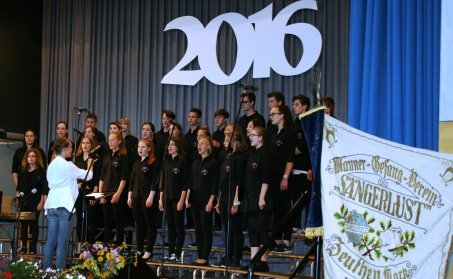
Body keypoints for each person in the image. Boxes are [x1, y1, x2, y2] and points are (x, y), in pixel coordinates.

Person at [43, 137, 94, 270]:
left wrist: (73, 185)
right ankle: (60, 272)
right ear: (64, 149)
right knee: (62, 242)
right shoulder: (68, 164)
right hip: (65, 204)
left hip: (52, 203)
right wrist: (90, 163)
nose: (72, 149)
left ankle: (47, 270)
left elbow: (59, 183)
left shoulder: (51, 165)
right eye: (71, 147)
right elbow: (88, 176)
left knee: (51, 241)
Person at [214, 131, 247, 268]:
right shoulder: (227, 158)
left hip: (234, 195)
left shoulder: (239, 158)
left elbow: (240, 182)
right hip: (225, 195)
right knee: (227, 229)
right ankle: (228, 256)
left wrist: (236, 202)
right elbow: (222, 182)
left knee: (235, 229)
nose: (224, 143)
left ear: (233, 142)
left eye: (226, 141)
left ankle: (236, 258)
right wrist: (219, 199)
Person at [241, 127, 272, 272]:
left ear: (260, 137)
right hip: (250, 197)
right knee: (252, 230)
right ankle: (254, 261)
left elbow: (266, 177)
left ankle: (264, 261)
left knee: (261, 230)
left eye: (253, 135)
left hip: (261, 197)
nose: (250, 137)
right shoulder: (250, 154)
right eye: (250, 135)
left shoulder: (265, 154)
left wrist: (262, 197)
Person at [186, 136, 218, 266]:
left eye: (203, 143)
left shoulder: (213, 162)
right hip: (195, 200)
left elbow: (214, 184)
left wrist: (211, 201)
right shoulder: (195, 162)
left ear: (208, 147)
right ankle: (199, 255)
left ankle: (205, 257)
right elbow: (190, 182)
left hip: (206, 200)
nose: (200, 146)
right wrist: (187, 198)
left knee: (206, 229)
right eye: (198, 143)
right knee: (198, 229)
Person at [268, 104, 295, 253]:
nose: (271, 116)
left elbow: (290, 159)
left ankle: (286, 240)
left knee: (285, 207)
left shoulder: (288, 134)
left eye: (273, 114)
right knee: (276, 209)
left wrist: (285, 177)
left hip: (283, 176)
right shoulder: (274, 135)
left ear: (282, 115)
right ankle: (277, 239)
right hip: (273, 177)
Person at [127, 138, 159, 260]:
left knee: (149, 224)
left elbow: (154, 181)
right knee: (138, 223)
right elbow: (132, 180)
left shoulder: (153, 162)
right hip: (136, 196)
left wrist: (151, 196)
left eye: (143, 147)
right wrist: (130, 195)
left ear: (149, 149)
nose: (140, 149)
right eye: (139, 147)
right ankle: (139, 249)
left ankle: (149, 250)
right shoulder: (136, 163)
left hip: (147, 196)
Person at [159, 137, 188, 262]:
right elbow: (162, 182)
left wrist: (182, 200)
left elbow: (184, 184)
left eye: (172, 144)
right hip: (167, 198)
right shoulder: (166, 162)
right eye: (169, 144)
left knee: (178, 226)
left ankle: (177, 253)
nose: (170, 147)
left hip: (178, 198)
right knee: (170, 226)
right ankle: (170, 252)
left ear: (178, 146)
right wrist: (160, 199)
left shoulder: (182, 161)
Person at [98, 132, 130, 244]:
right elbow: (102, 177)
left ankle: (119, 248)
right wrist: (100, 193)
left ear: (119, 141)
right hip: (105, 192)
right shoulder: (106, 156)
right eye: (109, 140)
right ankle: (106, 247)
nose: (110, 142)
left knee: (118, 223)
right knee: (107, 223)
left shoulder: (123, 156)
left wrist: (118, 193)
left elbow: (124, 178)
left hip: (117, 193)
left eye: (112, 140)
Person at [16, 148, 47, 254]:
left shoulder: (41, 171)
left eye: (33, 156)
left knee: (34, 224)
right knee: (23, 225)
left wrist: (42, 202)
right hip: (24, 200)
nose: (31, 158)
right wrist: (18, 197)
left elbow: (44, 188)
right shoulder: (23, 171)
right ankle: (24, 246)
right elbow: (19, 187)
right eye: (29, 156)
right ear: (26, 158)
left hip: (35, 201)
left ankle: (33, 247)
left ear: (36, 158)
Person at [291, 95, 312, 234]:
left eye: (297, 104)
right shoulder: (295, 123)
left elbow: (305, 146)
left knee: (307, 199)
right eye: (294, 104)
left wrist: (289, 153)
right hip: (294, 167)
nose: (294, 107)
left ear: (305, 107)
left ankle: (308, 226)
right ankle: (296, 225)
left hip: (305, 167)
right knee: (295, 198)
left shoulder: (308, 123)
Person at [74, 136, 101, 243]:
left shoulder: (96, 159)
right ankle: (80, 246)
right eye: (83, 143)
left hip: (92, 192)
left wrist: (95, 195)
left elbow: (98, 178)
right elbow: (75, 176)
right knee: (80, 220)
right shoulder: (78, 159)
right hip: (79, 192)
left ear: (91, 145)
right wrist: (78, 185)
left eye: (87, 143)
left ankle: (90, 246)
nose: (85, 145)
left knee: (91, 220)